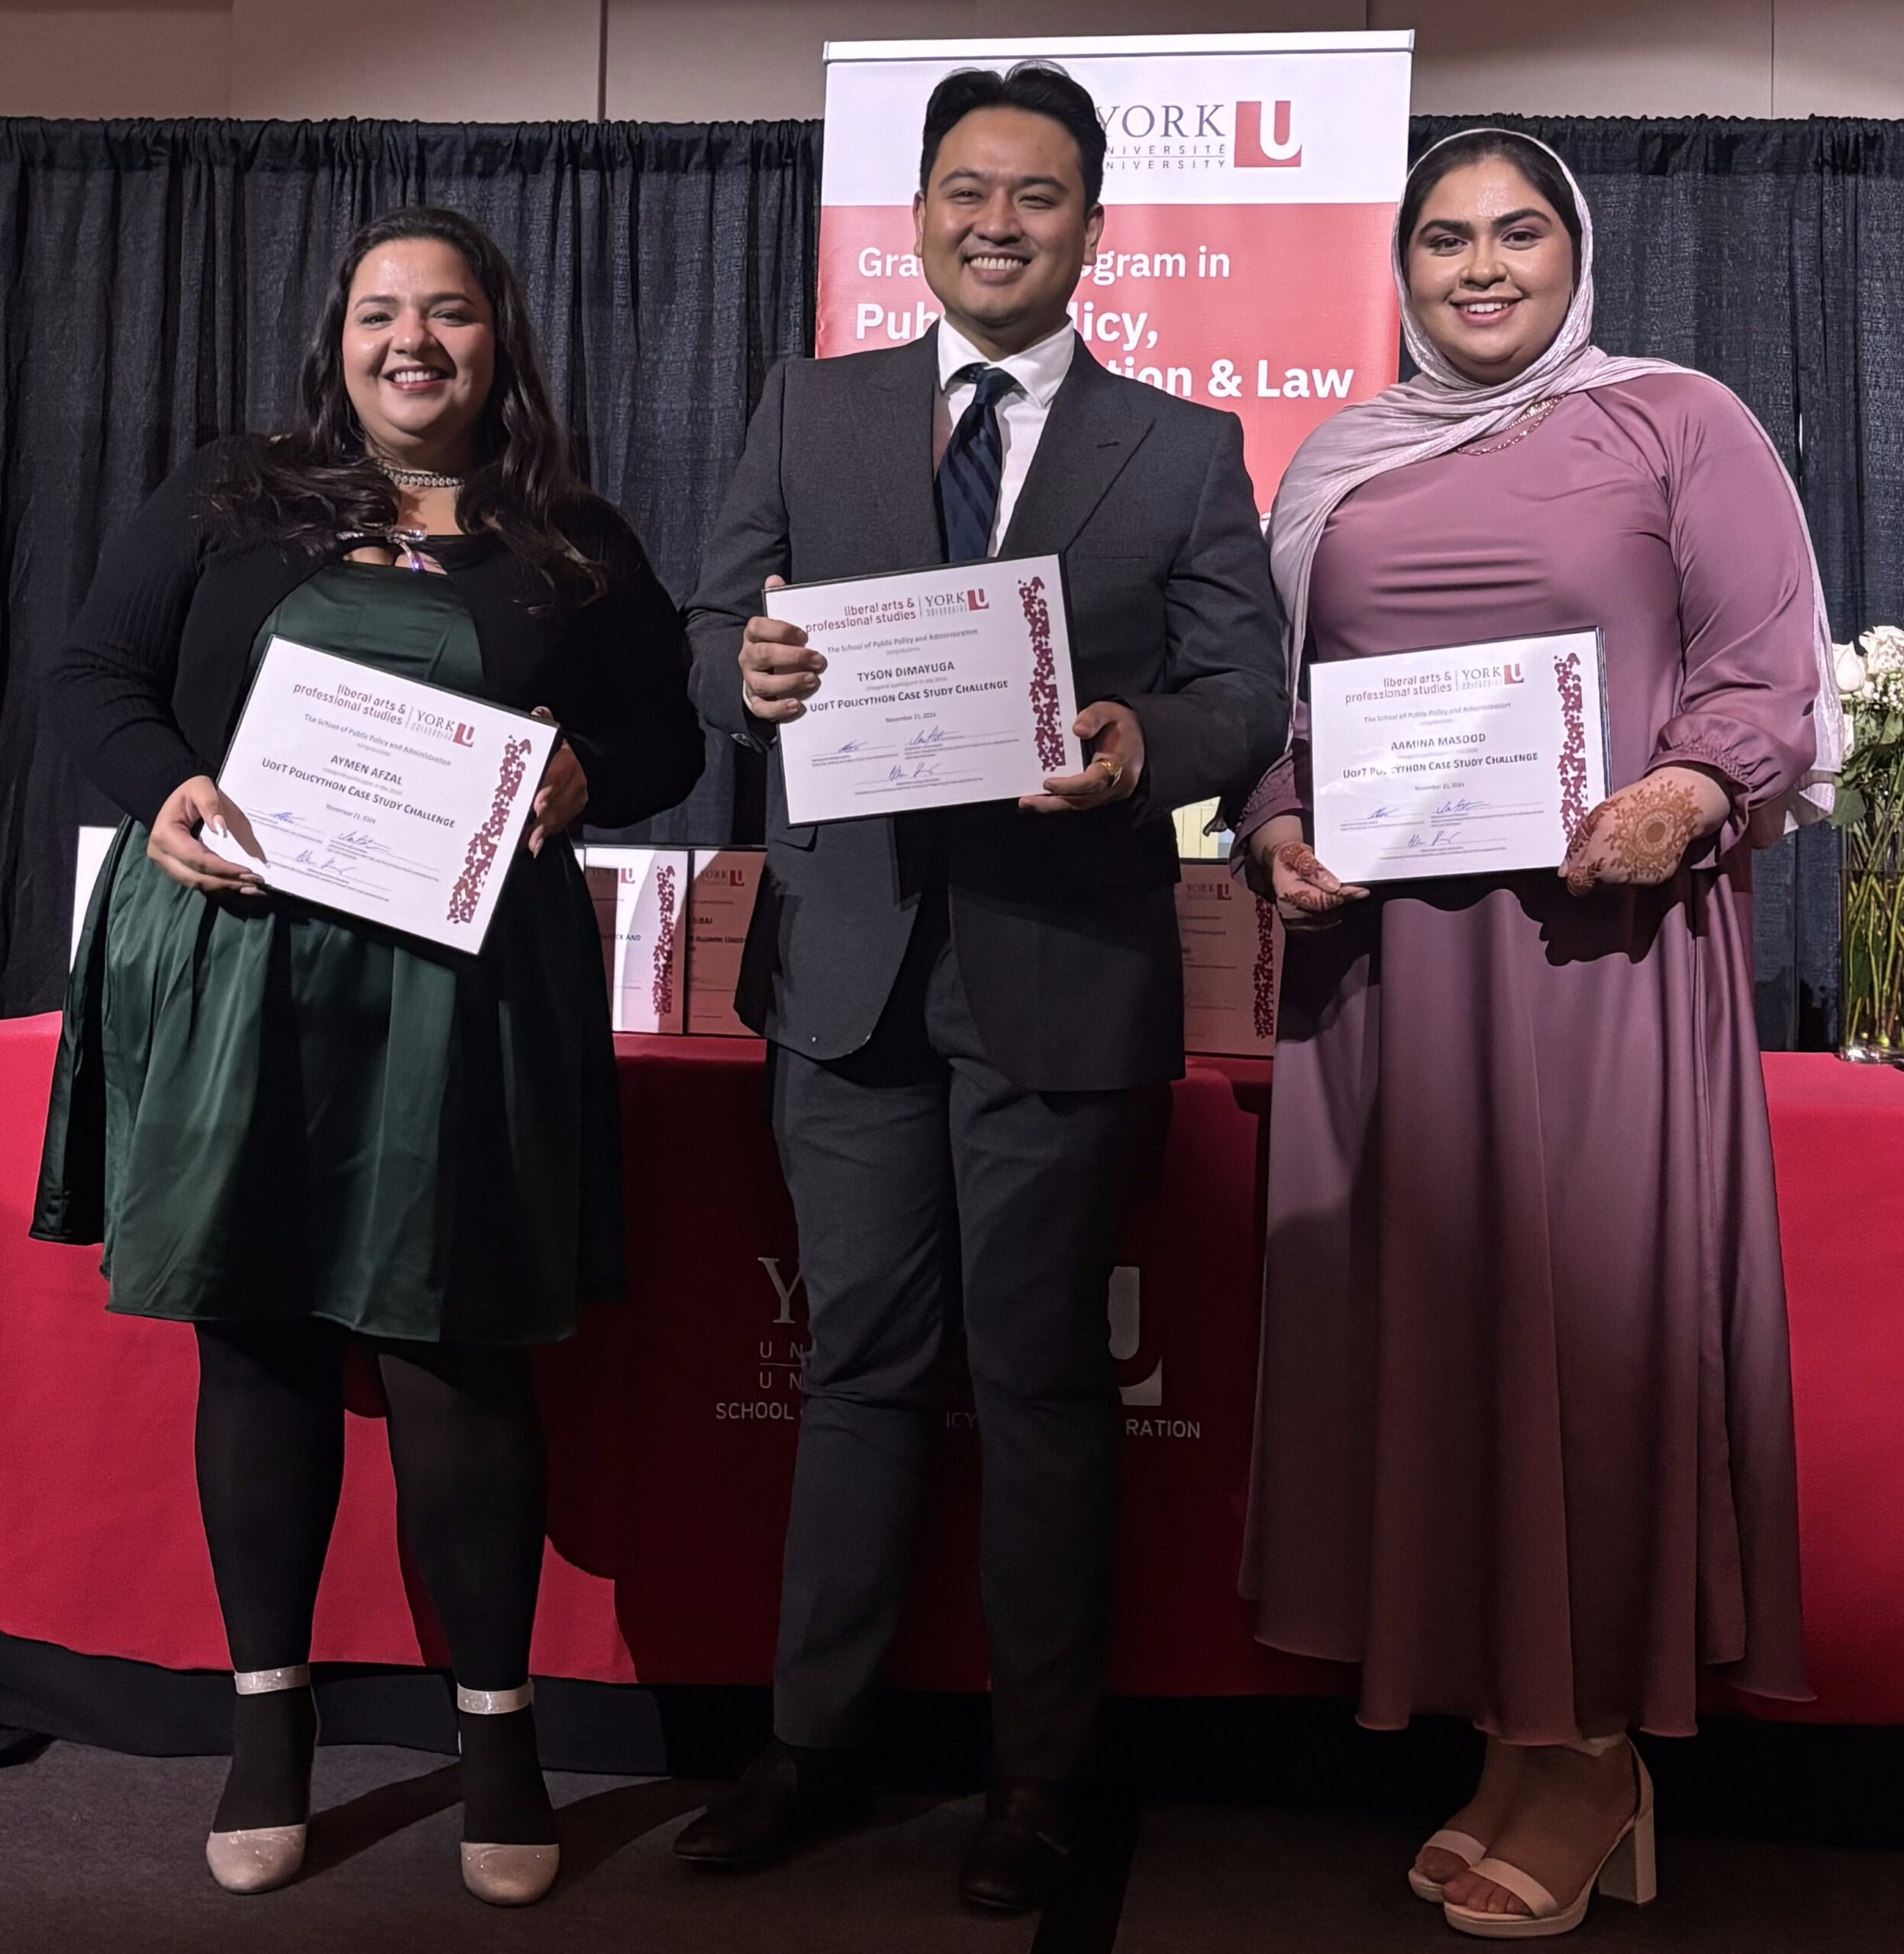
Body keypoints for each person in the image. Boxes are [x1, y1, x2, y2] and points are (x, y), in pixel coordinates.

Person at [31, 206, 703, 1906]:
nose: (414, 341)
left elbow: (662, 736)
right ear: (333, 339)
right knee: (255, 1345)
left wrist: (582, 779)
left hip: (462, 995)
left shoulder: (570, 535)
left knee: (455, 1352)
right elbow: (97, 678)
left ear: (500, 339)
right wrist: (160, 786)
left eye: (450, 313)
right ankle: (271, 1731)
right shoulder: (228, 493)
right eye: (379, 313)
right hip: (242, 961)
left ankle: (497, 1740)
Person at [676, 63, 1285, 1913]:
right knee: (852, 1369)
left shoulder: (1178, 446)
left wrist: (1140, 741)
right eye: (963, 191)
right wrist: (749, 676)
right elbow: (712, 632)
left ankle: (1038, 1779)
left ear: (1094, 230)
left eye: (1035, 196)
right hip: (848, 977)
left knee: (1036, 1383)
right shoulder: (814, 401)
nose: (995, 222)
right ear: (918, 216)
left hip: (1062, 974)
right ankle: (811, 1739)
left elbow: (1244, 687)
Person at [1235, 129, 1836, 1939]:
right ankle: (1515, 1726)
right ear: (1398, 267)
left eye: (1514, 233)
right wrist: (1275, 828)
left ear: (1574, 251)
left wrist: (1682, 786)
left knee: (1582, 1330)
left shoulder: (1675, 420)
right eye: (1440, 239)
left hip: (1596, 965)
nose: (1478, 267)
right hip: (1386, 989)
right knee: (1435, 1337)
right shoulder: (1332, 462)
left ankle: (1590, 1752)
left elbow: (1761, 675)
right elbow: (1299, 724)